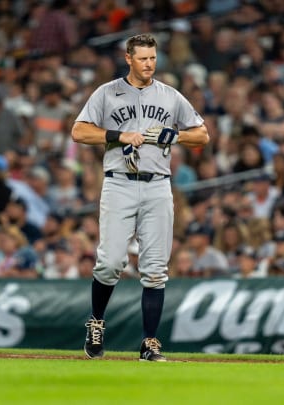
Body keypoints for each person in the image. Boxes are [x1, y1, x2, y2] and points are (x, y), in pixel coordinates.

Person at [71, 34, 209, 362]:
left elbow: (202, 134)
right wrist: (119, 135)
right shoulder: (107, 92)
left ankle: (149, 343)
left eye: (153, 58)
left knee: (156, 268)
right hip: (119, 182)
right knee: (110, 262)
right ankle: (97, 322)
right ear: (128, 58)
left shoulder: (170, 96)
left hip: (158, 184)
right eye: (143, 58)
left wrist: (175, 134)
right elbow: (79, 131)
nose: (149, 64)